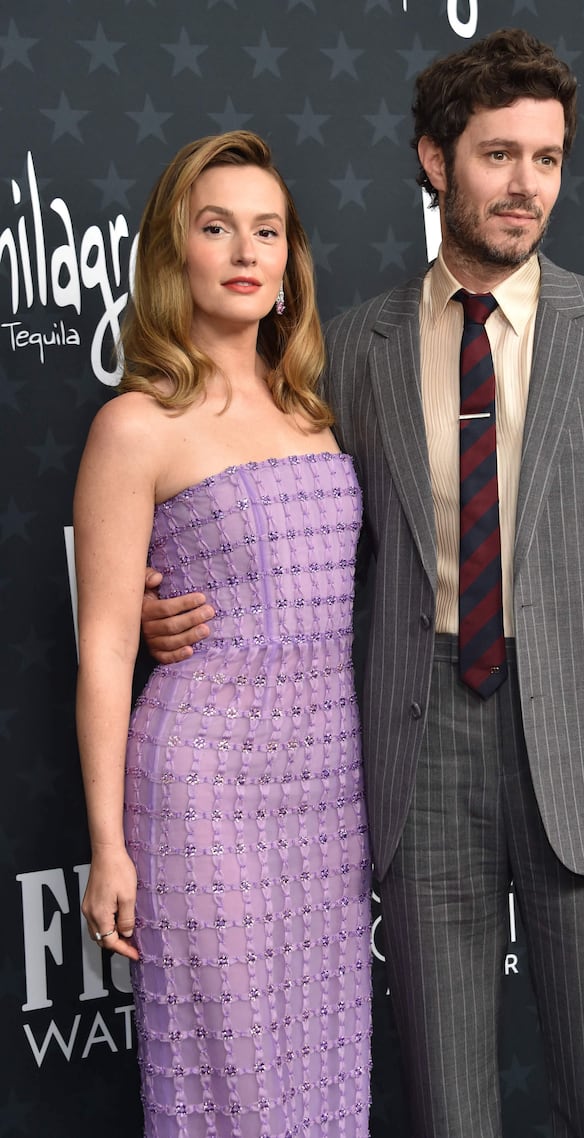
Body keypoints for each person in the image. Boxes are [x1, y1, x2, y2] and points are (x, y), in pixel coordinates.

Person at [140, 30, 584, 1138]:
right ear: (432, 159)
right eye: (498, 155)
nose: (524, 185)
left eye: (545, 159)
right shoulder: (347, 348)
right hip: (415, 752)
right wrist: (179, 608)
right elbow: (280, 515)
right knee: (446, 1110)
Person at [74, 130, 371, 1138]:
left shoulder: (314, 411)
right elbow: (108, 648)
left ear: (289, 260)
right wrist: (109, 845)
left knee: (323, 1084)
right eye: (216, 228)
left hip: (327, 800)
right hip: (205, 796)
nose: (245, 252)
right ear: (175, 254)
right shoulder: (137, 424)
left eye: (267, 230)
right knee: (232, 1090)